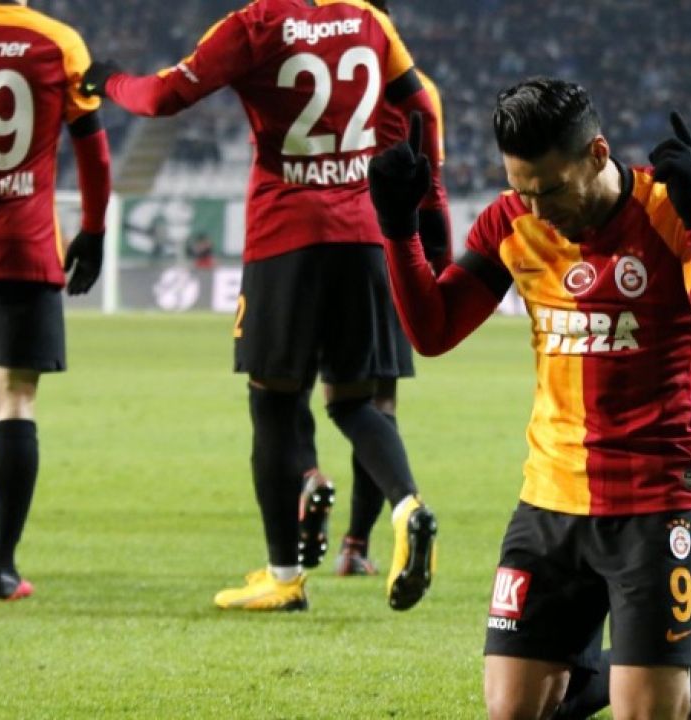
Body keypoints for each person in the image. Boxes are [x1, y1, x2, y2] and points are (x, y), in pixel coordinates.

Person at [367, 78, 691, 720]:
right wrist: (398, 229)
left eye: (551, 189)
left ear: (597, 153)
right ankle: (616, 670)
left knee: (649, 713)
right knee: (514, 710)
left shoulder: (672, 210)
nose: (537, 208)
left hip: (654, 494)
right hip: (549, 495)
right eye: (521, 189)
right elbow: (433, 332)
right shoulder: (512, 222)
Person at [82, 0, 446, 612]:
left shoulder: (254, 24)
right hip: (364, 235)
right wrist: (428, 212)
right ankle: (407, 504)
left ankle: (284, 577)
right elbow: (423, 109)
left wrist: (111, 79)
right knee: (354, 401)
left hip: (287, 234)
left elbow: (162, 98)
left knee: (273, 401)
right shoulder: (369, 19)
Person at [0, 0, 112, 601]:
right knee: (15, 401)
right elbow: (92, 148)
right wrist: (93, 231)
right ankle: (2, 568)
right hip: (23, 246)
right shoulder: (58, 41)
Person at [295, 0, 453, 580]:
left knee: (287, 389)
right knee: (376, 403)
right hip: (383, 253)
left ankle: (307, 481)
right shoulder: (421, 91)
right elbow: (432, 183)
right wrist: (439, 262)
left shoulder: (304, 72)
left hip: (305, 243)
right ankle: (355, 546)